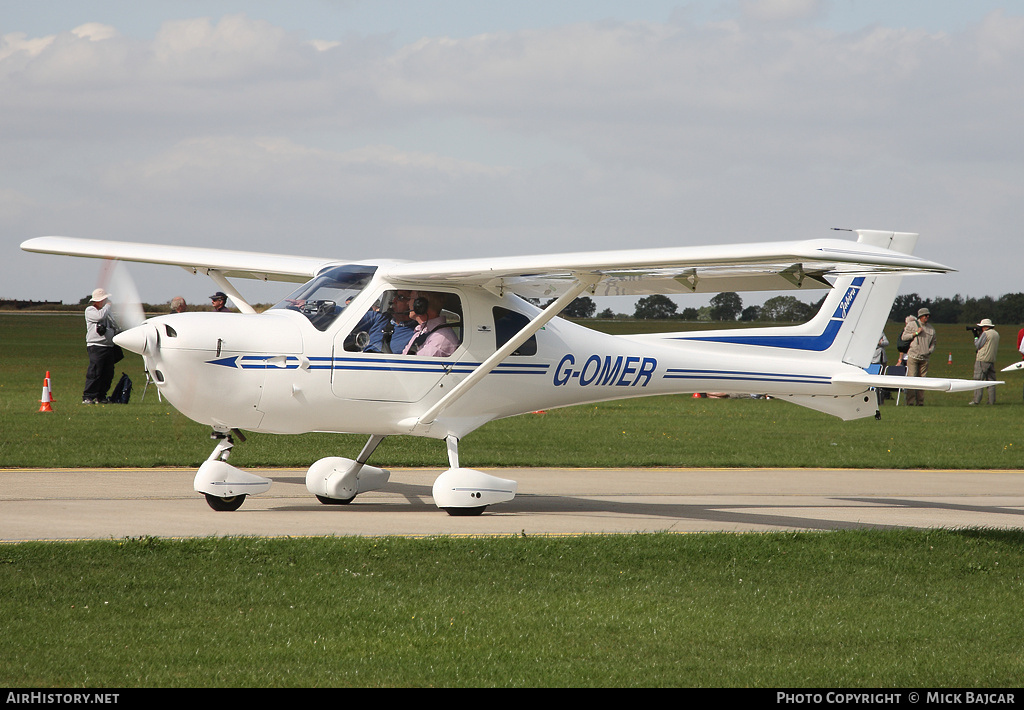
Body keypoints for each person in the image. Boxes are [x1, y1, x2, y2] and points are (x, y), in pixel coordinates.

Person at [82, 288, 123, 404]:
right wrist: (107, 307)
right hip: (96, 346)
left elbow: (112, 323)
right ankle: (88, 396)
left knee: (107, 373)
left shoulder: (106, 311)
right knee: (95, 371)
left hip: (108, 346)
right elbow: (99, 317)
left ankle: (101, 396)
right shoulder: (90, 310)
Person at [402, 291, 459, 357]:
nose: (408, 303)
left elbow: (415, 364)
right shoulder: (422, 332)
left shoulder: (441, 338)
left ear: (420, 305)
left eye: (410, 299)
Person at [901, 307, 936, 406]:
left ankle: (920, 402)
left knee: (922, 381)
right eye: (925, 315)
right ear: (920, 316)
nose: (927, 317)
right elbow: (904, 337)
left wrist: (930, 351)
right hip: (913, 356)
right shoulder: (912, 325)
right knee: (912, 379)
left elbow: (934, 343)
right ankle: (910, 402)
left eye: (928, 315)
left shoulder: (931, 329)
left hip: (925, 358)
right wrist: (915, 333)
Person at [969, 318, 1000, 405]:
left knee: (978, 380)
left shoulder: (986, 333)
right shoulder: (996, 334)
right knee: (991, 381)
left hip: (982, 359)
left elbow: (978, 345)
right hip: (991, 359)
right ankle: (991, 400)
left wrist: (975, 336)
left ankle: (976, 400)